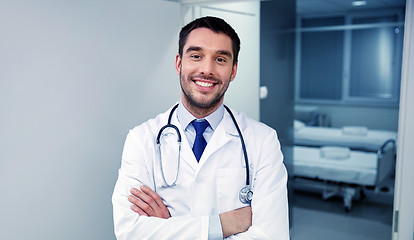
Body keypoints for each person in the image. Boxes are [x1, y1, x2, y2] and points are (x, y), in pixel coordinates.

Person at [112, 16, 289, 239]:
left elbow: (272, 236)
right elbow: (129, 231)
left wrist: (169, 228)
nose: (207, 69)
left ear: (233, 71)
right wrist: (223, 225)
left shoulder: (263, 140)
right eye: (196, 56)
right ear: (179, 63)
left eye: (221, 59)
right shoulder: (141, 139)